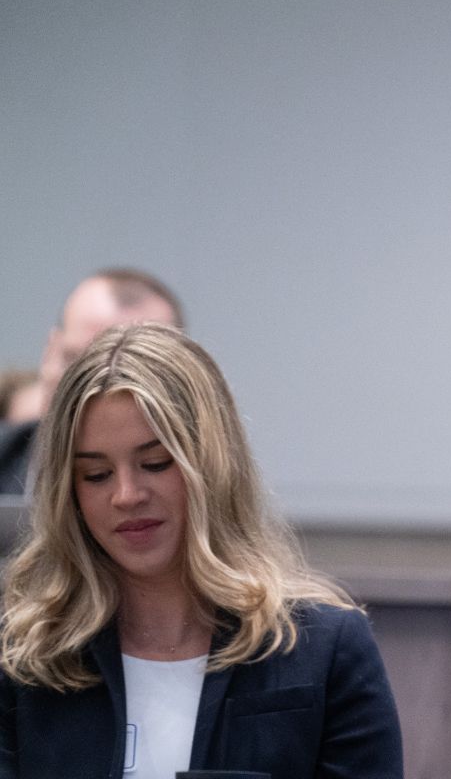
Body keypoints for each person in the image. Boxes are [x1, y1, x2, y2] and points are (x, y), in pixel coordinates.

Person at [0, 323, 403, 777]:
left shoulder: (323, 650)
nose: (127, 495)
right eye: (96, 475)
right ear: (67, 492)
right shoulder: (25, 661)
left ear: (211, 462)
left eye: (155, 464)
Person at [0, 268, 182, 496]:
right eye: (76, 363)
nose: (93, 388)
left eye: (130, 370)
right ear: (50, 354)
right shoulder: (7, 456)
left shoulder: (213, 486)